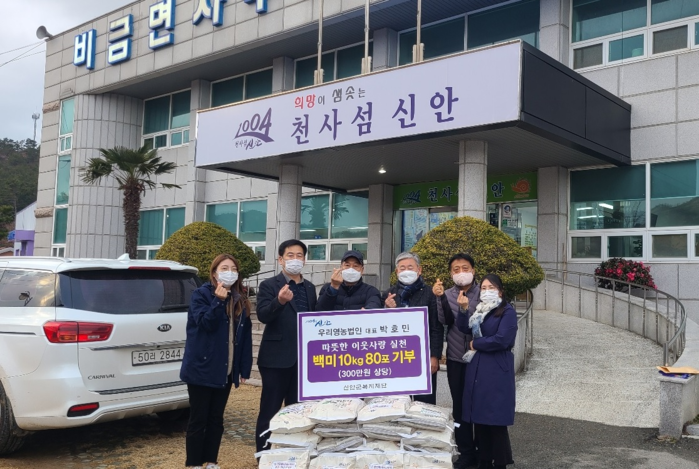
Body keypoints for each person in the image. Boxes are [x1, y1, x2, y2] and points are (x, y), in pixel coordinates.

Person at [180, 254, 253, 469]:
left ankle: (212, 461)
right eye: (224, 268)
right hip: (201, 369)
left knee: (216, 419)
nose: (230, 272)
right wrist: (218, 301)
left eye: (233, 269)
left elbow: (245, 337)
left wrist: (244, 368)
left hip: (226, 369)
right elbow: (205, 324)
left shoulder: (240, 299)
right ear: (214, 273)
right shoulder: (201, 295)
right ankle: (194, 463)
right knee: (198, 419)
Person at [254, 239, 318, 452]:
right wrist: (279, 301)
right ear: (280, 259)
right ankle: (263, 455)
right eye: (290, 255)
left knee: (297, 411)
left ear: (305, 260)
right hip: (276, 359)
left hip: (303, 361)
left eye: (299, 255)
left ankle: (293, 453)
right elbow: (263, 315)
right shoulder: (269, 285)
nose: (295, 259)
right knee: (270, 410)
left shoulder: (309, 288)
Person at [458, 274, 517, 469]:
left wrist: (476, 344)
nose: (486, 291)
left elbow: (503, 340)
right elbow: (465, 328)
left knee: (495, 418)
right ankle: (484, 460)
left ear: (500, 291)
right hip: (478, 367)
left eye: (491, 287)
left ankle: (500, 462)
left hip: (496, 368)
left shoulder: (507, 312)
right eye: (483, 288)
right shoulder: (480, 311)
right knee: (480, 418)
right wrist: (463, 310)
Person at [433, 253, 480, 469]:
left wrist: (466, 308)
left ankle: (483, 450)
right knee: (460, 407)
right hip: (455, 358)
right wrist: (440, 298)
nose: (461, 273)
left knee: (480, 405)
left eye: (465, 268)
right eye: (456, 269)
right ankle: (466, 452)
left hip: (479, 359)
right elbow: (444, 321)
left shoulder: (484, 292)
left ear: (473, 270)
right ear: (450, 273)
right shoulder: (448, 294)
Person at [383, 252, 444, 405]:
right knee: (396, 403)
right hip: (395, 357)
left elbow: (436, 327)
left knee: (424, 404)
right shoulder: (389, 294)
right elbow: (381, 327)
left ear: (419, 270)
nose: (406, 271)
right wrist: (386, 309)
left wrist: (434, 356)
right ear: (396, 271)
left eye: (410, 267)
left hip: (423, 356)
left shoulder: (430, 293)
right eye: (402, 268)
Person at [316, 249, 382, 311]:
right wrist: (333, 287)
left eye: (355, 266)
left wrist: (367, 311)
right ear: (341, 268)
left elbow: (374, 304)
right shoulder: (327, 288)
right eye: (347, 265)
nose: (351, 269)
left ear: (362, 270)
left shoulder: (371, 291)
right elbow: (319, 310)